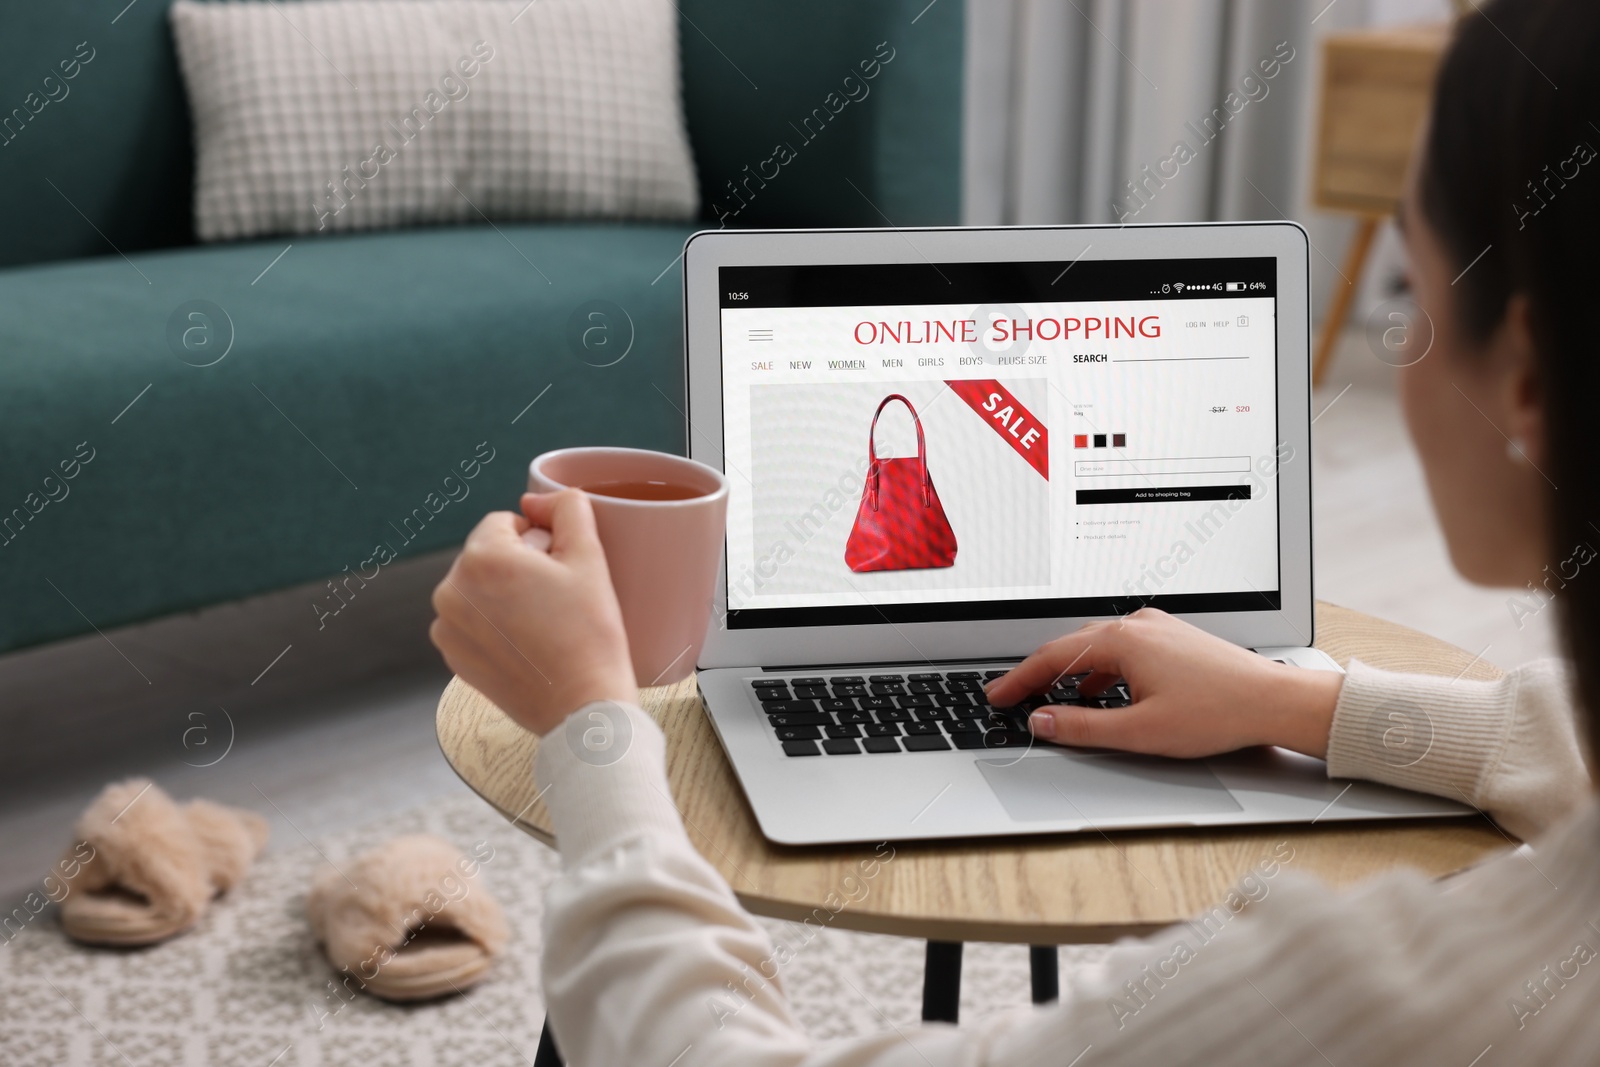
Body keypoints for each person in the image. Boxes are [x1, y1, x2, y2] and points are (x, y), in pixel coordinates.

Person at [428, 1, 1599, 1061]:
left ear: (1528, 373)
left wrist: (591, 723)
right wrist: (1295, 702)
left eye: (1413, 281)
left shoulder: (1409, 1001)